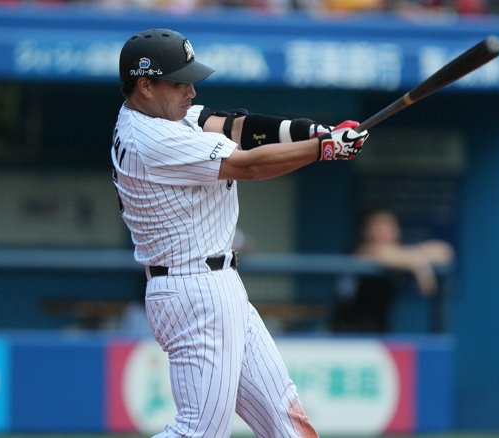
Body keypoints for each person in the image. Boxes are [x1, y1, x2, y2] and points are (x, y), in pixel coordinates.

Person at [110, 28, 369, 438]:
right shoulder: (152, 138)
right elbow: (250, 165)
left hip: (214, 284)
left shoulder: (163, 115)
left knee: (286, 422)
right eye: (180, 82)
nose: (191, 91)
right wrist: (325, 148)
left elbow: (234, 127)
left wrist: (311, 132)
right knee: (200, 431)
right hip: (193, 291)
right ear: (145, 85)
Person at [331, 206, 454, 332]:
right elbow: (380, 253)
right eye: (377, 226)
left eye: (388, 226)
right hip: (346, 332)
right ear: (366, 231)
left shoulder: (403, 255)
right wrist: (419, 266)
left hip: (378, 332)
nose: (383, 232)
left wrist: (416, 260)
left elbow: (445, 252)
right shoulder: (362, 250)